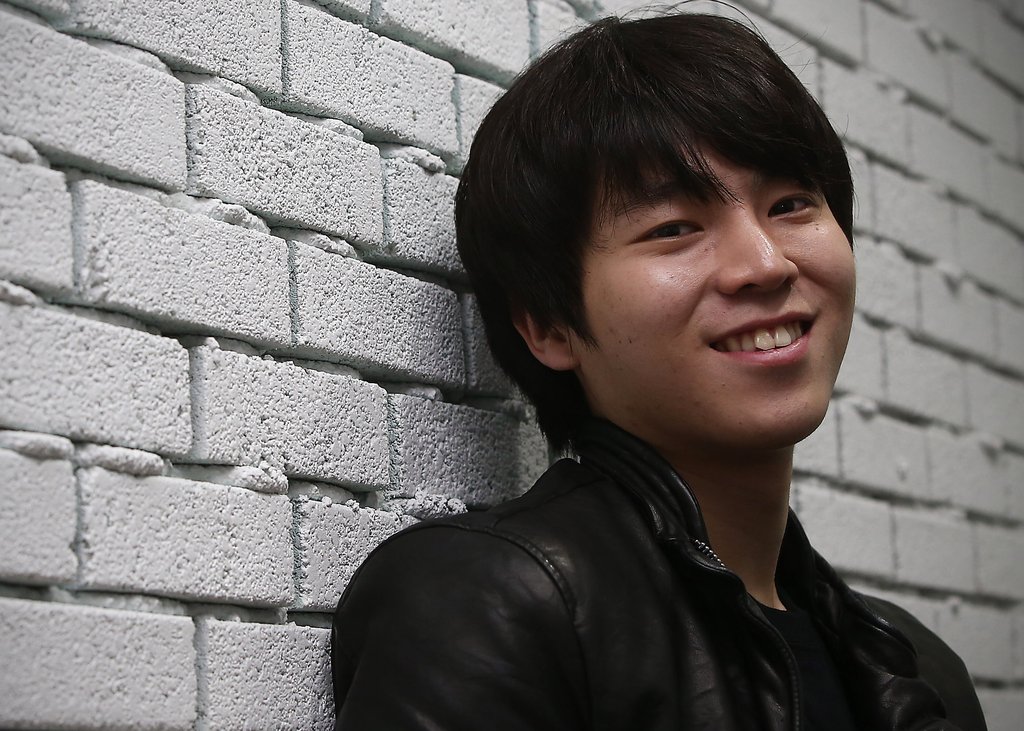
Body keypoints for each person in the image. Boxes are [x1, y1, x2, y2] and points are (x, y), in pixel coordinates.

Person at [331, 11, 987, 730]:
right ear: (549, 326)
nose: (766, 264)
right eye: (674, 229)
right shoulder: (492, 603)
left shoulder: (919, 669)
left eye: (791, 204)